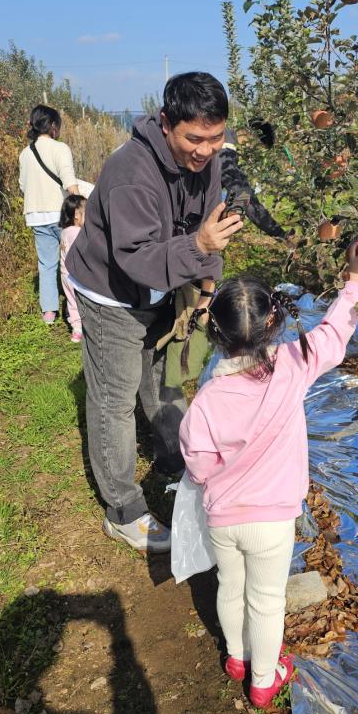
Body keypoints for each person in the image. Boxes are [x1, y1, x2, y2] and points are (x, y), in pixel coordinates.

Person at [178, 240, 358, 709]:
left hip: (224, 518)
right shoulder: (293, 366)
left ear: (216, 332)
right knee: (265, 600)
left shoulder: (208, 398)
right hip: (272, 520)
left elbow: (200, 463)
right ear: (273, 323)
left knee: (231, 587)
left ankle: (236, 657)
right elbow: (332, 335)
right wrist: (355, 284)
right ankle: (265, 680)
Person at [64, 72, 244, 553]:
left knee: (163, 380)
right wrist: (199, 246)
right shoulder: (130, 174)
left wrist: (206, 292)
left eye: (216, 137)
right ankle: (122, 510)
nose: (206, 149)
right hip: (111, 292)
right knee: (115, 398)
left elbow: (211, 231)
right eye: (194, 138)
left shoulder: (209, 164)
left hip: (164, 290)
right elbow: (138, 259)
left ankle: (178, 461)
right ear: (166, 123)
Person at [18, 106, 90, 324]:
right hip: (62, 215)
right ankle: (78, 308)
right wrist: (81, 207)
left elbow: (23, 185)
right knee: (74, 262)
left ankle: (49, 312)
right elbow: (69, 182)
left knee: (46, 264)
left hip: (35, 215)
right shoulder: (60, 149)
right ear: (52, 126)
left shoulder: (25, 153)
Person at [218, 129, 287, 239]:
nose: (255, 154)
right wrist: (232, 221)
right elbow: (240, 191)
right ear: (252, 137)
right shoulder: (225, 146)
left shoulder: (228, 144)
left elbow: (248, 198)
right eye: (257, 148)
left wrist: (280, 234)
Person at [58, 194, 87, 343]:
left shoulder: (64, 231)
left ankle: (76, 330)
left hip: (65, 274)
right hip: (75, 275)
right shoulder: (77, 233)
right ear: (77, 215)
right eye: (86, 212)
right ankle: (85, 325)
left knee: (71, 301)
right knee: (81, 300)